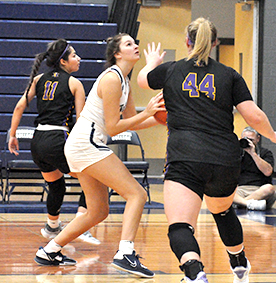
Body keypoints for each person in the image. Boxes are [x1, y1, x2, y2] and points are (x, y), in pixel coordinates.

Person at [137, 17, 276, 283]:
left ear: (187, 41)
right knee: (222, 211)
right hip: (225, 159)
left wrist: (152, 63)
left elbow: (143, 81)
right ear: (215, 43)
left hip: (185, 156)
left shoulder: (171, 70)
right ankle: (239, 263)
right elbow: (253, 115)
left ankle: (195, 272)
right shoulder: (229, 74)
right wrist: (273, 134)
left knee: (180, 225)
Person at [34, 33, 164, 278]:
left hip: (81, 145)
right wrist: (148, 111)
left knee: (98, 211)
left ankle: (50, 250)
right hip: (86, 144)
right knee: (137, 194)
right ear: (117, 53)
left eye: (135, 42)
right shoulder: (112, 78)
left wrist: (160, 121)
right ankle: (125, 253)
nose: (136, 45)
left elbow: (130, 122)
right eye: (129, 44)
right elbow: (114, 128)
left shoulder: (124, 80)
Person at [8, 38, 99, 246]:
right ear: (64, 62)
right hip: (58, 139)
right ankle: (81, 225)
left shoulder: (39, 79)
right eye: (74, 55)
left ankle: (51, 226)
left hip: (37, 141)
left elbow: (19, 107)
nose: (79, 58)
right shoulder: (74, 83)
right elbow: (82, 120)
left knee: (56, 185)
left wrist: (12, 135)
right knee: (93, 177)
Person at [234, 126, 276, 211]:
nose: (248, 142)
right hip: (240, 190)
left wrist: (253, 154)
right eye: (245, 139)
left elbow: (268, 172)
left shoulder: (265, 153)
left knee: (270, 188)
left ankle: (240, 203)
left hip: (260, 190)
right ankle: (248, 204)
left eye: (251, 140)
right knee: (222, 191)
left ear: (258, 139)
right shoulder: (236, 153)